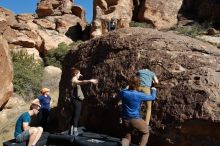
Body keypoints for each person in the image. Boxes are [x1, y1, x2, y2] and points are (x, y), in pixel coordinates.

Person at [119, 76, 157, 146]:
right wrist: (154, 89)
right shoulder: (139, 95)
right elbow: (152, 97)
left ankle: (124, 143)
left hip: (125, 119)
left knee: (127, 133)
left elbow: (122, 91)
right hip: (135, 119)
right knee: (146, 132)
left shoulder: (123, 93)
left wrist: (127, 87)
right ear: (138, 85)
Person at [70, 67, 98, 136]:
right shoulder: (74, 80)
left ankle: (71, 130)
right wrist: (90, 81)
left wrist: (79, 74)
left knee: (74, 115)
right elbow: (81, 82)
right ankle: (75, 131)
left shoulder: (74, 78)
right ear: (76, 74)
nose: (80, 74)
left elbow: (79, 79)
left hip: (75, 100)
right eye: (79, 73)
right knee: (76, 115)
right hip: (76, 100)